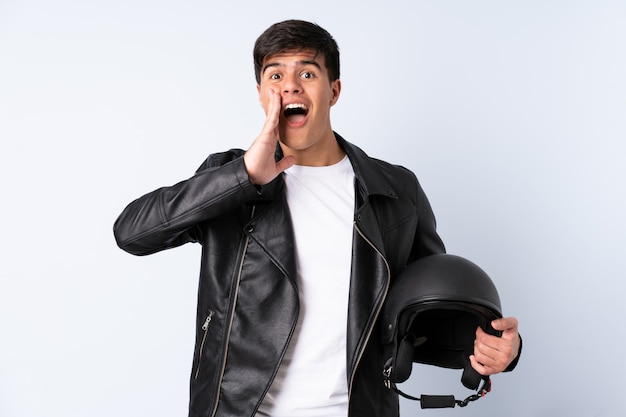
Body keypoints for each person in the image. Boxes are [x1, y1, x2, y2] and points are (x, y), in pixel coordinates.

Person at [113, 19, 521, 417]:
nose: (289, 85)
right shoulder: (227, 179)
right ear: (260, 94)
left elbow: (420, 319)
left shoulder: (396, 191)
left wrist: (495, 349)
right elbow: (132, 232)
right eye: (275, 75)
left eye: (307, 72)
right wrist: (243, 177)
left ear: (334, 90)